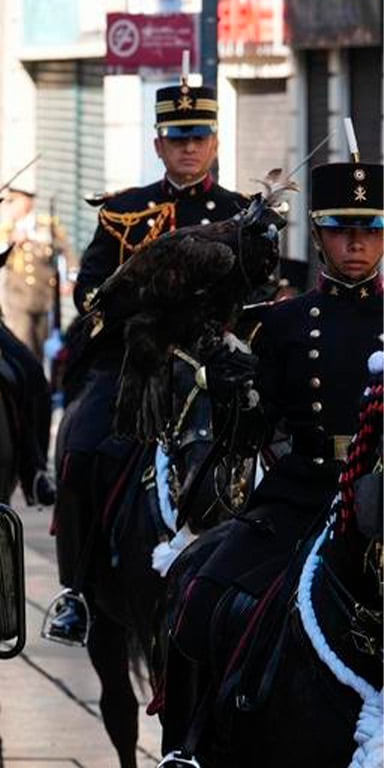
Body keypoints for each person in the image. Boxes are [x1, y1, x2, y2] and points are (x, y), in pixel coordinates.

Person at [160, 152, 382, 756]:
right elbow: (253, 430)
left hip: (379, 506)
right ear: (320, 235)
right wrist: (233, 388)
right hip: (303, 491)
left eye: (370, 229)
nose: (357, 243)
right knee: (199, 595)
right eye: (342, 230)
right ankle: (190, 744)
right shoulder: (285, 322)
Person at [44, 78, 248, 645]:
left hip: (216, 371)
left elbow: (262, 299)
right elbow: (90, 295)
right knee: (81, 449)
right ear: (159, 144)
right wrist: (142, 299)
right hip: (138, 370)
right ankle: (77, 591)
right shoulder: (125, 212)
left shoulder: (240, 214)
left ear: (214, 142)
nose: (189, 148)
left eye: (199, 136)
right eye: (177, 138)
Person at [0, 188, 65, 359]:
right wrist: (12, 240)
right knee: (23, 344)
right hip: (19, 297)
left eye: (14, 202)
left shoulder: (47, 225)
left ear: (26, 202)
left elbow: (64, 251)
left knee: (40, 344)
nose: (10, 208)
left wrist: (68, 279)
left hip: (44, 296)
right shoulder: (6, 230)